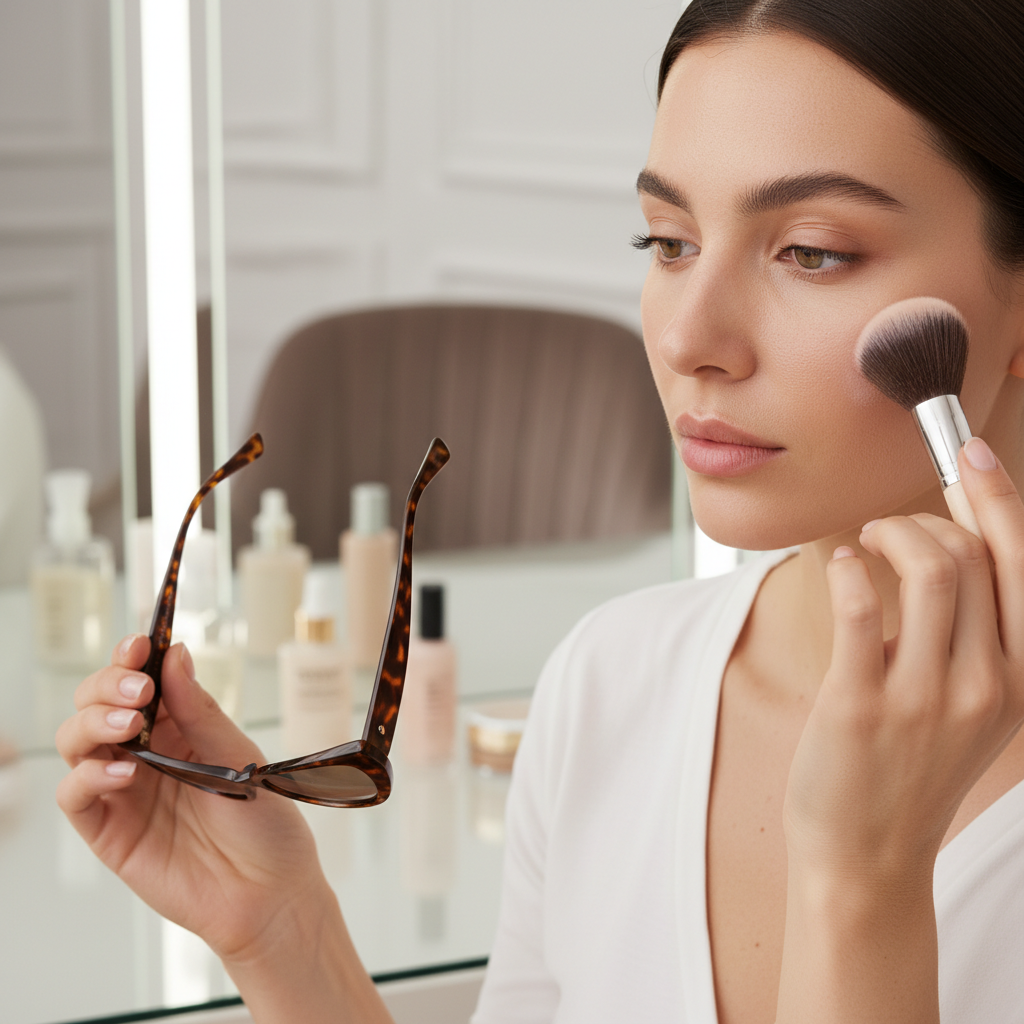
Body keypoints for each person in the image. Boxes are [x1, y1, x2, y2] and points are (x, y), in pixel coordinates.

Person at [56, 0, 1024, 1020]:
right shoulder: (609, 683)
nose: (690, 334)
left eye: (813, 251)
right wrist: (282, 932)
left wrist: (861, 884)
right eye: (667, 240)